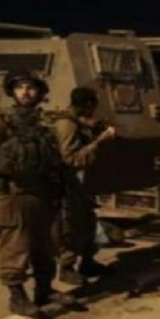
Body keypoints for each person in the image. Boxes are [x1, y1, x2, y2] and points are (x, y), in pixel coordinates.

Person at [0, 69, 77, 319]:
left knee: (45, 246)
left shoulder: (45, 123)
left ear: (40, 92)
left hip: (42, 193)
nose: (25, 92)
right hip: (12, 194)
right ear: (12, 92)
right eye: (20, 87)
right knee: (16, 248)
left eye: (31, 87)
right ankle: (17, 298)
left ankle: (44, 291)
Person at [48, 87, 116, 285]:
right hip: (68, 184)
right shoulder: (67, 125)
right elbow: (71, 159)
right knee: (71, 227)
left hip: (80, 185)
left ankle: (88, 261)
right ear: (87, 105)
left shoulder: (75, 122)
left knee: (88, 222)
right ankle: (66, 268)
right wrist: (99, 142)